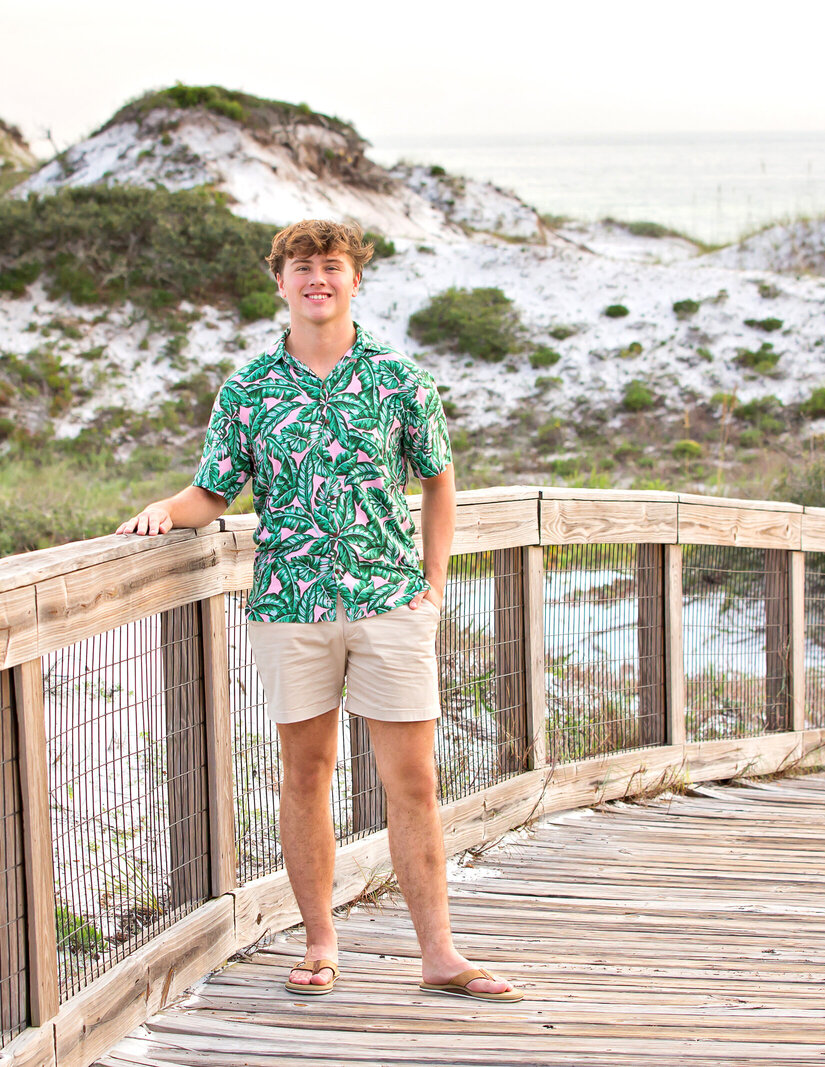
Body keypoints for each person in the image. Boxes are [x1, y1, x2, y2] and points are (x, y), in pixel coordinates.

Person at [116, 219, 522, 1002]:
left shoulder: (401, 378)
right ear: (280, 282)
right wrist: (165, 510)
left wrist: (431, 584)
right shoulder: (249, 388)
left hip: (389, 602)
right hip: (289, 605)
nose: (317, 280)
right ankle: (320, 941)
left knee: (414, 781)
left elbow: (439, 480)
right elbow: (213, 490)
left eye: (331, 267)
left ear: (354, 280)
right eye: (302, 267)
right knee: (306, 774)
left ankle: (439, 953)